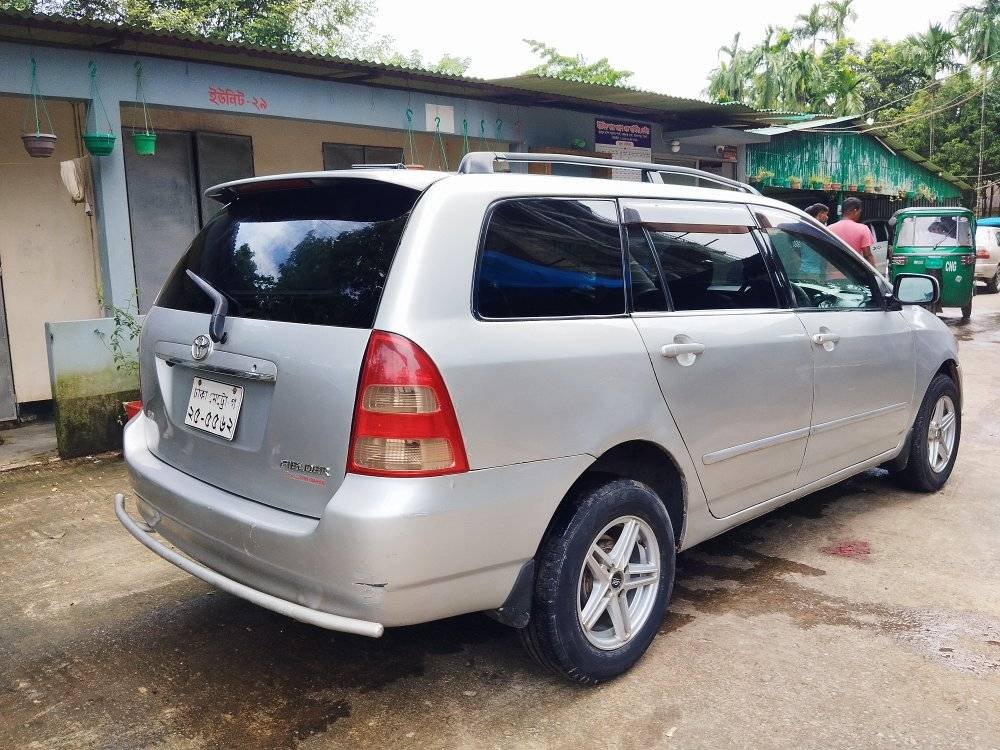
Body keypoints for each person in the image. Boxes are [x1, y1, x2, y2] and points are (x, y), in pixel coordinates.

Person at [828, 197, 875, 265]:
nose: (860, 214)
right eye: (860, 212)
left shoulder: (829, 228)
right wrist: (874, 274)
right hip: (853, 273)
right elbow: (867, 255)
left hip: (832, 272)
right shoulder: (863, 229)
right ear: (855, 211)